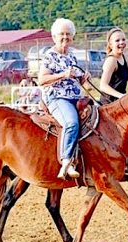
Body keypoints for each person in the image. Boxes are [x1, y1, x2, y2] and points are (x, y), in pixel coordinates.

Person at [38, 18, 90, 179]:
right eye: (62, 34)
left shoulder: (72, 56)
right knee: (71, 123)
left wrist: (84, 79)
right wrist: (63, 74)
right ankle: (66, 161)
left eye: (68, 34)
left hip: (75, 96)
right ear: (54, 36)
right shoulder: (49, 56)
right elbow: (42, 80)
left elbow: (80, 81)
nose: (65, 37)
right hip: (57, 98)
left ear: (73, 37)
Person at [99, 27, 128, 177]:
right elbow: (103, 85)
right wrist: (121, 96)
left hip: (121, 103)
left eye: (123, 39)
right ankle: (126, 164)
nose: (121, 43)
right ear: (110, 43)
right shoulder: (111, 60)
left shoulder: (124, 58)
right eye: (117, 40)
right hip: (109, 104)